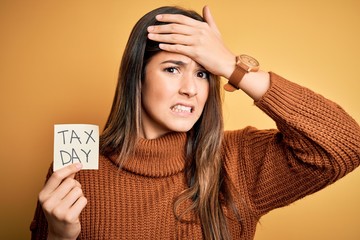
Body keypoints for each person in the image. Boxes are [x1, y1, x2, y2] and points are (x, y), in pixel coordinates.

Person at [30, 5, 360, 240]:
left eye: (202, 73)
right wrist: (59, 237)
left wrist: (232, 67)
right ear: (138, 78)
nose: (191, 89)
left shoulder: (236, 162)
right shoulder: (78, 166)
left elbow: (346, 143)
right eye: (172, 68)